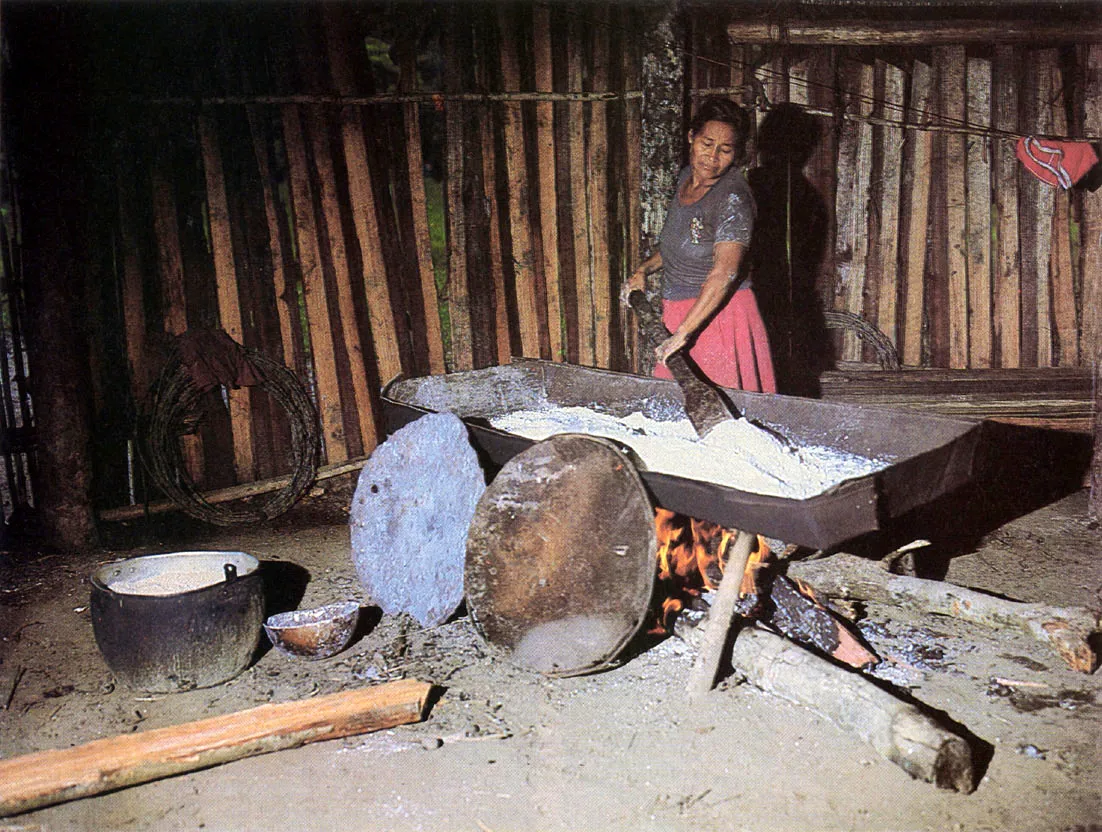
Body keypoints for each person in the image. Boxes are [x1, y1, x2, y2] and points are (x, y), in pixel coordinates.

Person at [622, 97, 776, 393]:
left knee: (719, 419)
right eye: (707, 143)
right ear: (691, 137)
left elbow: (724, 273)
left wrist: (682, 334)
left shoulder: (732, 199)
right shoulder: (686, 179)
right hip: (681, 313)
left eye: (725, 149)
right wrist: (644, 269)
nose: (712, 157)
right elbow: (677, 245)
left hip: (718, 317)